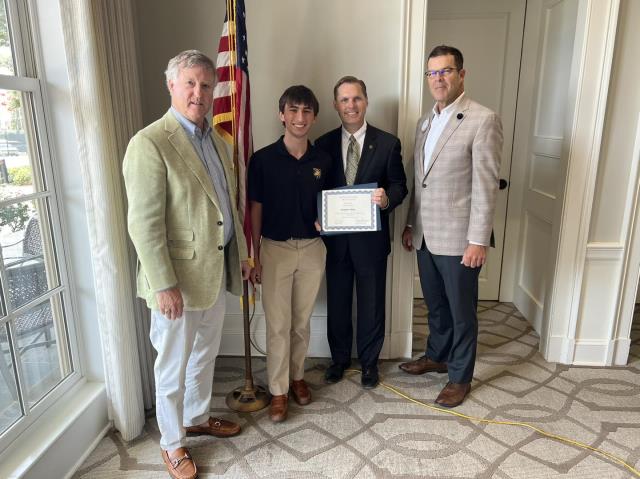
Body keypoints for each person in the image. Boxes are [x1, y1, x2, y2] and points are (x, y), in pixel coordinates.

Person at [123, 50, 251, 479]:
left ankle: (196, 418)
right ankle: (172, 443)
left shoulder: (217, 141)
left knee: (204, 356)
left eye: (206, 84)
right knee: (172, 366)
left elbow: (227, 207)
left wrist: (240, 257)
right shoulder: (150, 142)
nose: (199, 92)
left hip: (213, 274)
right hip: (176, 282)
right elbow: (144, 224)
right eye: (190, 83)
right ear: (172, 85)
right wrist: (163, 284)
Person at [399, 45, 503, 408]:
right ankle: (437, 355)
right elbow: (420, 181)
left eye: (445, 71)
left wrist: (478, 241)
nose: (438, 79)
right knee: (436, 305)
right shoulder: (424, 122)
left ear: (461, 74)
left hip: (460, 239)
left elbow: (486, 186)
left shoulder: (483, 119)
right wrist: (410, 224)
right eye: (432, 73)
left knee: (461, 313)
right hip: (425, 235)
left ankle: (459, 377)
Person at [315, 76, 408, 389]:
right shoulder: (323, 144)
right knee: (338, 303)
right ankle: (339, 360)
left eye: (356, 98)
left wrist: (387, 199)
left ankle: (369, 363)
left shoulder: (388, 143)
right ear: (336, 105)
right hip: (336, 242)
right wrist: (317, 216)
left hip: (371, 242)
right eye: (344, 100)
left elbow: (400, 185)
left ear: (366, 101)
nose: (351, 105)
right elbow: (315, 188)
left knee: (371, 304)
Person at [248, 86, 331, 422]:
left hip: (312, 249)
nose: (300, 117)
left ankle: (297, 377)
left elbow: (330, 202)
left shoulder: (323, 159)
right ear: (281, 115)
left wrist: (328, 220)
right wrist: (254, 255)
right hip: (275, 249)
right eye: (293, 110)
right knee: (278, 325)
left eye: (306, 111)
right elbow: (255, 208)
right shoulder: (263, 159)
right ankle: (279, 390)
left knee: (300, 322)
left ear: (314, 116)